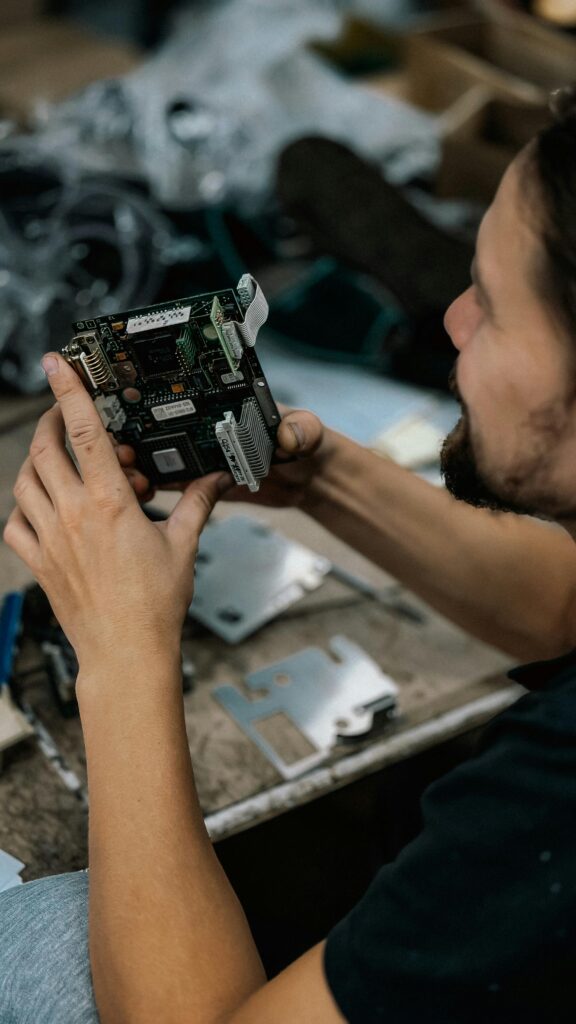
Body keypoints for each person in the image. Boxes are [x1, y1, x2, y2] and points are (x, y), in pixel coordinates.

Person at [3, 86, 576, 1024]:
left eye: (497, 307)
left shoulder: (548, 808)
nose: (452, 319)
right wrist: (323, 482)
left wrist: (119, 649)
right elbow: (563, 609)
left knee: (48, 937)